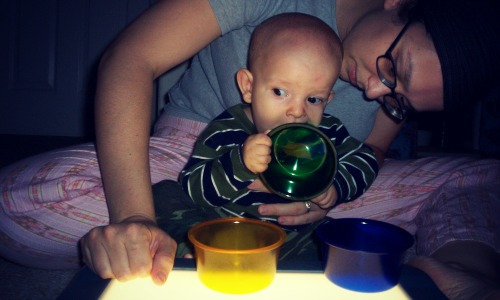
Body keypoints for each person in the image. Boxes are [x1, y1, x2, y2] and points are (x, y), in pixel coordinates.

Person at [0, 0, 498, 298]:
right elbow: (130, 57)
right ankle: (155, 239)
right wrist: (135, 217)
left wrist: (330, 196)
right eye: (393, 69)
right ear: (398, 1)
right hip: (190, 159)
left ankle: (456, 273)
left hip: (318, 192)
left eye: (397, 100)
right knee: (15, 203)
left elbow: (369, 156)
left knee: (481, 175)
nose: (373, 92)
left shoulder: (380, 96)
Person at [173, 13, 377, 255]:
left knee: (343, 240)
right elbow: (193, 187)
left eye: (313, 99)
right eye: (280, 92)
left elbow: (366, 161)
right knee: (166, 196)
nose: (297, 112)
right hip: (227, 229)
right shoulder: (228, 129)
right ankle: (194, 250)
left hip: (295, 237)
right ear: (248, 87)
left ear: (328, 99)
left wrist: (336, 187)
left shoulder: (325, 133)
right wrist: (239, 163)